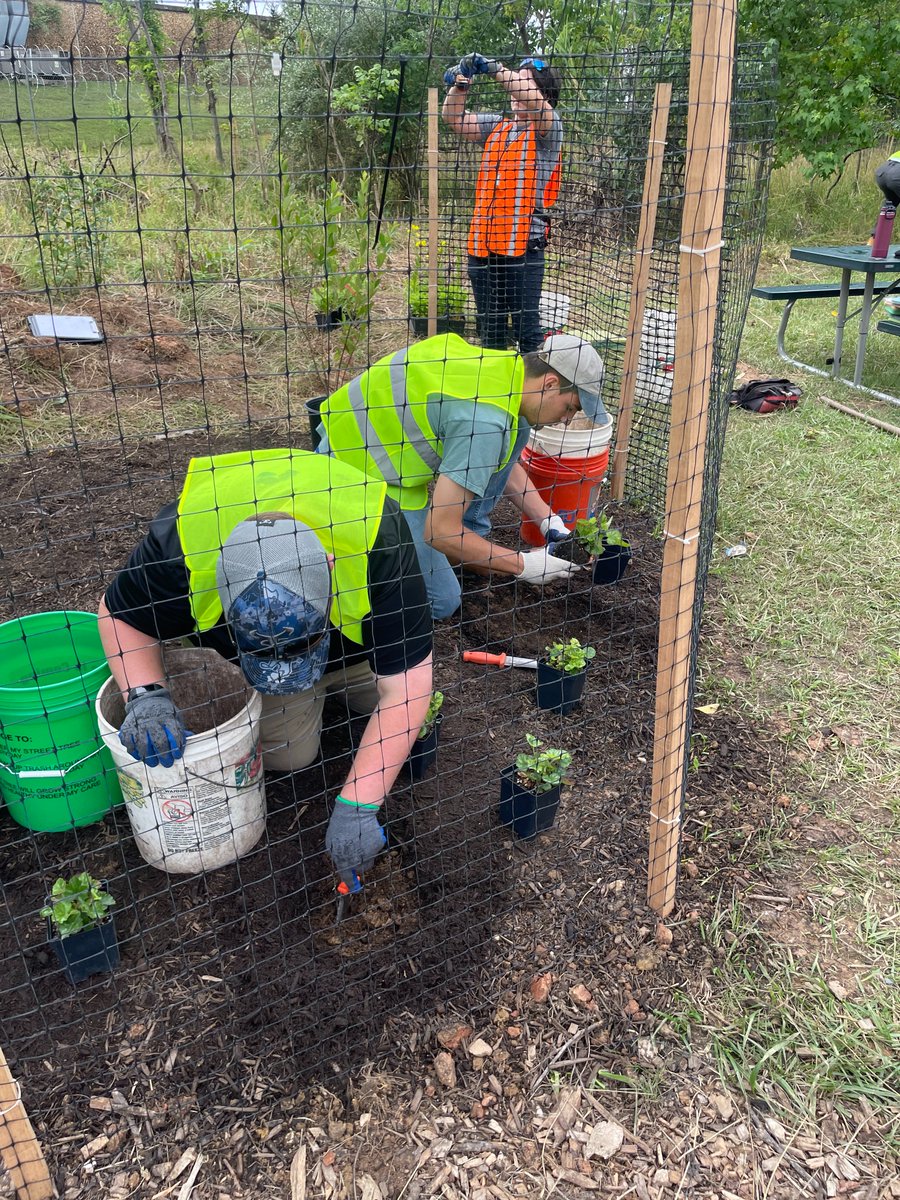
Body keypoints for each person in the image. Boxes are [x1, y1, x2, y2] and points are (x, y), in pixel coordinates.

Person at [97, 448, 434, 886]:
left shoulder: (377, 538)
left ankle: (346, 681)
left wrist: (358, 807)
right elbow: (120, 614)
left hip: (359, 646)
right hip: (294, 640)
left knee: (400, 703)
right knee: (291, 755)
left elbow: (409, 687)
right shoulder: (181, 547)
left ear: (329, 568)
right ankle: (317, 692)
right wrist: (145, 696)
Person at [315, 331, 608, 619]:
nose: (567, 420)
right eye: (570, 407)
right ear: (550, 383)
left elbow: (498, 456)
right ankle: (356, 560)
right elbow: (438, 531)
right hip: (355, 473)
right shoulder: (484, 422)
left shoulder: (505, 370)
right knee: (442, 601)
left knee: (518, 429)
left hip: (360, 438)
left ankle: (466, 543)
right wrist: (523, 565)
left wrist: (549, 521)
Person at [442, 52, 563, 353]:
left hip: (523, 249)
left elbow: (531, 100)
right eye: (515, 82)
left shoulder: (549, 128)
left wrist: (494, 68)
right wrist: (460, 85)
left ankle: (534, 396)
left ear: (544, 94)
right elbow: (452, 118)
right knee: (490, 332)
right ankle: (496, 395)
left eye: (525, 84)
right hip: (483, 249)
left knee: (528, 333)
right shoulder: (498, 126)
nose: (515, 90)